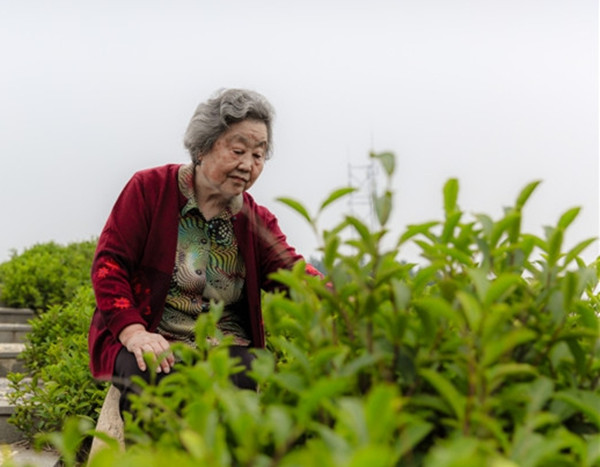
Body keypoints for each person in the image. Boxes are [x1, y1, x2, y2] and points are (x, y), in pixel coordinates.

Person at [88, 88, 320, 414]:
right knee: (151, 375)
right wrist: (134, 332)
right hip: (153, 335)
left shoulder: (255, 221)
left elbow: (293, 273)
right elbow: (110, 266)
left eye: (258, 155)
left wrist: (343, 298)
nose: (247, 165)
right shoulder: (149, 190)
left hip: (225, 343)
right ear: (202, 147)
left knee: (242, 378)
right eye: (238, 150)